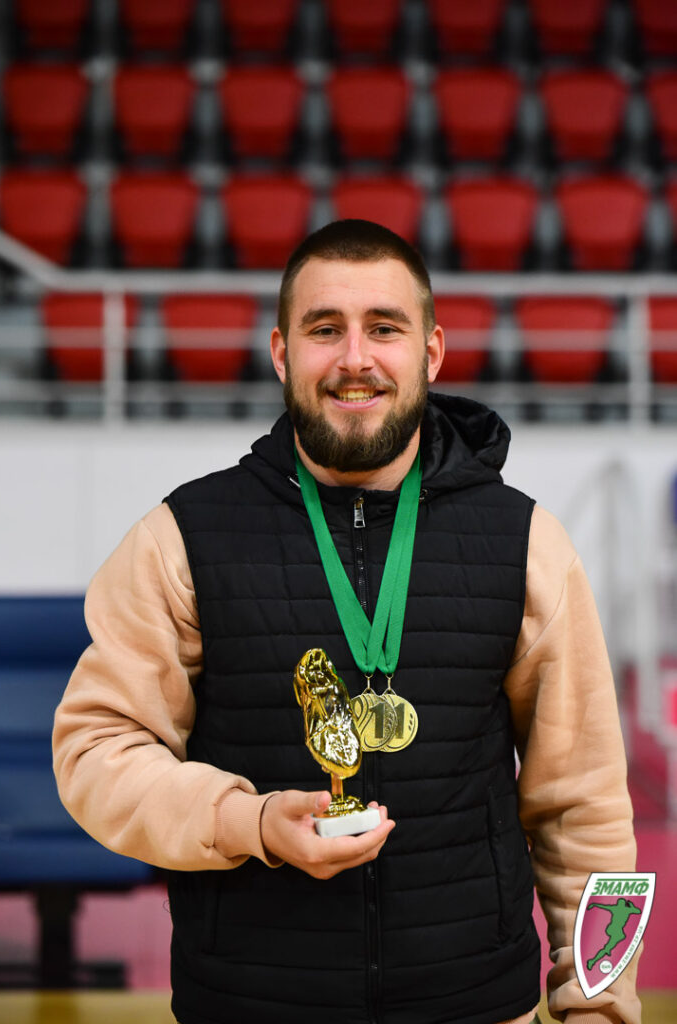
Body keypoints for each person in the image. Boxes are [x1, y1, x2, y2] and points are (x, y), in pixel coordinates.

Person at [53, 219, 639, 1024]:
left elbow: (586, 809)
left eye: (384, 329)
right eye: (325, 329)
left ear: (431, 352)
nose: (355, 358)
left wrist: (601, 1011)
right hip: (249, 1007)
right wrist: (253, 821)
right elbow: (96, 753)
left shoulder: (527, 542)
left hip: (476, 1007)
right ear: (281, 352)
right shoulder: (182, 538)